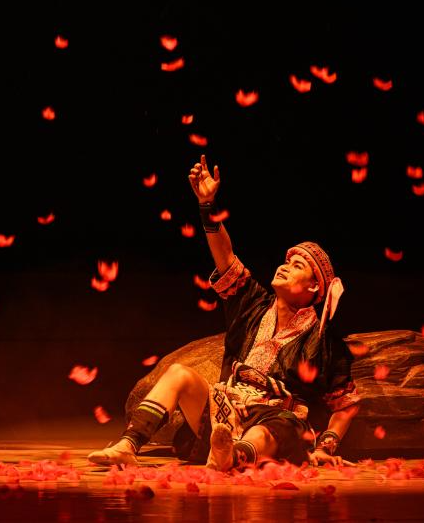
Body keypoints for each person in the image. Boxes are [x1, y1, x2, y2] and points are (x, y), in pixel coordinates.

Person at [87, 154, 360, 471]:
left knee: (275, 427)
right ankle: (127, 445)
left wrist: (327, 445)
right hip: (224, 413)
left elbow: (345, 405)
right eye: (286, 261)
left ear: (314, 287)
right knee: (178, 373)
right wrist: (207, 206)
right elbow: (225, 255)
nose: (284, 266)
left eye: (297, 265)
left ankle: (234, 456)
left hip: (274, 425)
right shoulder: (252, 302)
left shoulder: (324, 339)